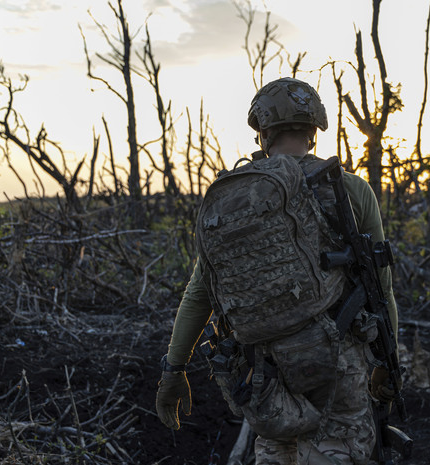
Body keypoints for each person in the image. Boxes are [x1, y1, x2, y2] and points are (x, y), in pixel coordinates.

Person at [155, 77, 399, 465]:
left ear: (263, 132)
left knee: (278, 453)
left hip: (263, 364)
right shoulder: (350, 189)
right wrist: (389, 363)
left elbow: (201, 291)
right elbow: (380, 287)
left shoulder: (236, 199)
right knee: (341, 453)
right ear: (314, 130)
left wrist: (174, 369)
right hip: (338, 360)